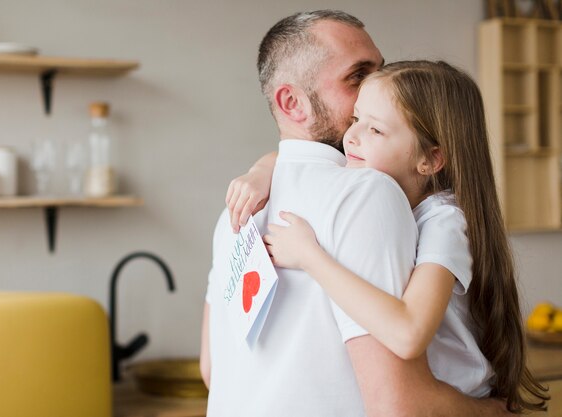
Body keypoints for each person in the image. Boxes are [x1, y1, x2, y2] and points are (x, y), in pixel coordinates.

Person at [201, 10, 515, 417]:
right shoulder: (367, 191)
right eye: (357, 76)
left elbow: (213, 370)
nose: (377, 89)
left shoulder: (234, 214)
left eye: (380, 72)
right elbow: (399, 404)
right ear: (292, 102)